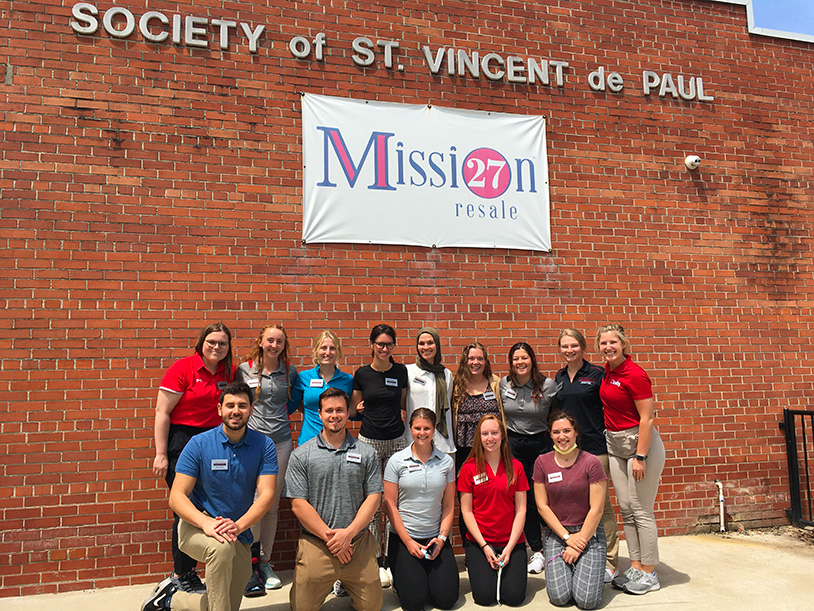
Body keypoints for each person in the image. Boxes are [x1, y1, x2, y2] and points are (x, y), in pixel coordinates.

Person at [142, 381, 278, 611]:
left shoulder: (264, 444)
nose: (236, 411)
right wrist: (206, 524)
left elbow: (266, 496)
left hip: (238, 531)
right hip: (196, 527)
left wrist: (238, 525)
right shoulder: (199, 444)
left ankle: (169, 600)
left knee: (224, 601)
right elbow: (176, 497)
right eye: (230, 405)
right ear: (219, 409)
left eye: (242, 406)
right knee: (220, 550)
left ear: (251, 410)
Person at [152, 322, 234, 594]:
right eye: (212, 341)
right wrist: (161, 454)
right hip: (183, 442)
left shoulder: (229, 371)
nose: (217, 347)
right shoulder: (183, 368)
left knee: (209, 506)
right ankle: (181, 573)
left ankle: (201, 568)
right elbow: (163, 412)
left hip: (214, 443)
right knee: (186, 510)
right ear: (202, 342)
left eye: (222, 343)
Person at [284, 388, 383, 611]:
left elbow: (374, 497)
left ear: (348, 413)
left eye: (339, 410)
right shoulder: (302, 454)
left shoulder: (366, 452)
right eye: (329, 410)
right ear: (319, 414)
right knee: (301, 608)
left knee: (373, 607)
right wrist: (333, 540)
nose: (334, 415)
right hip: (317, 544)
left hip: (357, 542)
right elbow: (298, 504)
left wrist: (347, 535)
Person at [597, 324, 665, 595]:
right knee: (626, 507)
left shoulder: (635, 374)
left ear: (623, 344)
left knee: (641, 509)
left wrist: (641, 456)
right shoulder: (607, 370)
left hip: (638, 445)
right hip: (615, 444)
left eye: (613, 342)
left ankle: (650, 572)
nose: (608, 347)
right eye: (603, 343)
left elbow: (647, 418)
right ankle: (636, 565)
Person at [553, 328, 620, 582]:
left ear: (582, 347)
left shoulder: (597, 374)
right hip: (567, 451)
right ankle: (578, 552)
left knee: (601, 507)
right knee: (572, 504)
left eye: (574, 345)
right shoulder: (558, 377)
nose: (569, 350)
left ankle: (610, 561)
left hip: (594, 447)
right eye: (564, 346)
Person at [234, 324, 297, 593]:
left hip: (281, 442)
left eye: (279, 341)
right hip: (252, 442)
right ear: (260, 342)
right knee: (253, 501)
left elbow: (292, 403)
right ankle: (249, 564)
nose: (274, 345)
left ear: (284, 345)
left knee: (271, 504)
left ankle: (266, 562)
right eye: (270, 340)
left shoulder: (290, 371)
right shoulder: (243, 369)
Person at [383, 409, 459, 611]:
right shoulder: (396, 461)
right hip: (404, 538)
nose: (422, 433)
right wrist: (408, 542)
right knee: (414, 603)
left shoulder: (446, 462)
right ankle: (402, 579)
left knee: (446, 600)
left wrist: (442, 539)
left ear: (434, 430)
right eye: (417, 428)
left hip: (435, 538)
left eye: (427, 428)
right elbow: (390, 504)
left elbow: (449, 504)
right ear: (410, 429)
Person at [350, 323, 408, 586]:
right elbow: (352, 411)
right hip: (369, 441)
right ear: (371, 344)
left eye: (389, 344)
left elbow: (404, 404)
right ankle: (374, 559)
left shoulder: (401, 370)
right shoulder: (362, 373)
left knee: (393, 502)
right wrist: (358, 408)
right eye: (380, 344)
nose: (384, 349)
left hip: (397, 441)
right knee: (372, 503)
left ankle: (391, 559)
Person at [533, 410, 607, 610]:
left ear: (575, 432)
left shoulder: (591, 462)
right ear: (550, 434)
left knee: (586, 601)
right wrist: (567, 538)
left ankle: (581, 565)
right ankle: (575, 569)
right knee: (559, 597)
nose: (562, 436)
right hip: (558, 534)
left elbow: (597, 509)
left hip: (589, 534)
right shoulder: (542, 463)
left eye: (567, 430)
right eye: (556, 432)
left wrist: (577, 544)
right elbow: (542, 506)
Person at [499, 341, 558, 575]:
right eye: (516, 359)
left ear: (532, 360)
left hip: (541, 444)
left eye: (524, 358)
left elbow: (557, 415)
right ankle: (536, 550)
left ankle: (554, 543)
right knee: (520, 496)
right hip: (513, 444)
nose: (520, 362)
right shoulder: (504, 384)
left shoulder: (548, 385)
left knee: (542, 496)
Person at [458, 414, 528, 607]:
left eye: (495, 433)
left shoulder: (516, 467)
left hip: (511, 541)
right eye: (485, 433)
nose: (490, 438)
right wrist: (484, 546)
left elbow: (521, 510)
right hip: (480, 542)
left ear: (503, 436)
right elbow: (466, 512)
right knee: (484, 597)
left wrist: (509, 547)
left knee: (514, 597)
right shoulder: (469, 468)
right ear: (478, 438)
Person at [290, 330, 354, 446]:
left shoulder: (347, 380)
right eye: (323, 348)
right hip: (308, 441)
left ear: (338, 352)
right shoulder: (304, 378)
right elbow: (290, 406)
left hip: (337, 442)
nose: (327, 352)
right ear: (316, 351)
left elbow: (351, 411)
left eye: (332, 348)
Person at [451, 341, 505, 475]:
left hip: (492, 447)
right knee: (466, 486)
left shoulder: (496, 383)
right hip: (464, 449)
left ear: (486, 361)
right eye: (471, 358)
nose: (476, 362)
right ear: (465, 360)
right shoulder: (456, 385)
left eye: (480, 358)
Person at [405, 327, 455, 456]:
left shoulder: (446, 374)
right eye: (421, 344)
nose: (426, 347)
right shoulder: (409, 372)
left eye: (430, 343)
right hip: (416, 440)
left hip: (443, 442)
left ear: (437, 345)